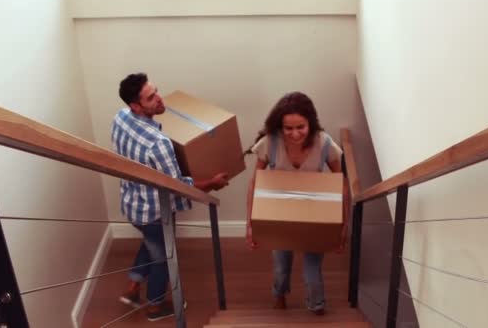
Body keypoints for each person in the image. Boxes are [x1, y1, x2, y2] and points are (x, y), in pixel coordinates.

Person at [112, 73, 229, 322]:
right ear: (136, 106)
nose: (160, 99)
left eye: (157, 91)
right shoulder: (158, 143)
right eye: (151, 97)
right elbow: (177, 186)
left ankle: (133, 288)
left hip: (131, 204)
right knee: (164, 258)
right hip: (154, 212)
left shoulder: (121, 117)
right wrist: (212, 183)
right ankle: (155, 306)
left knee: (153, 244)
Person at [245, 91, 349, 315]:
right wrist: (251, 224)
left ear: (310, 123)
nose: (294, 134)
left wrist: (342, 227)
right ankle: (279, 294)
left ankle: (317, 305)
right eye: (288, 128)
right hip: (279, 214)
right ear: (280, 127)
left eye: (300, 127)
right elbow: (256, 184)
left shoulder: (324, 144)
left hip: (314, 214)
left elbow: (340, 185)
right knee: (282, 266)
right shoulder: (269, 143)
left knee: (312, 269)